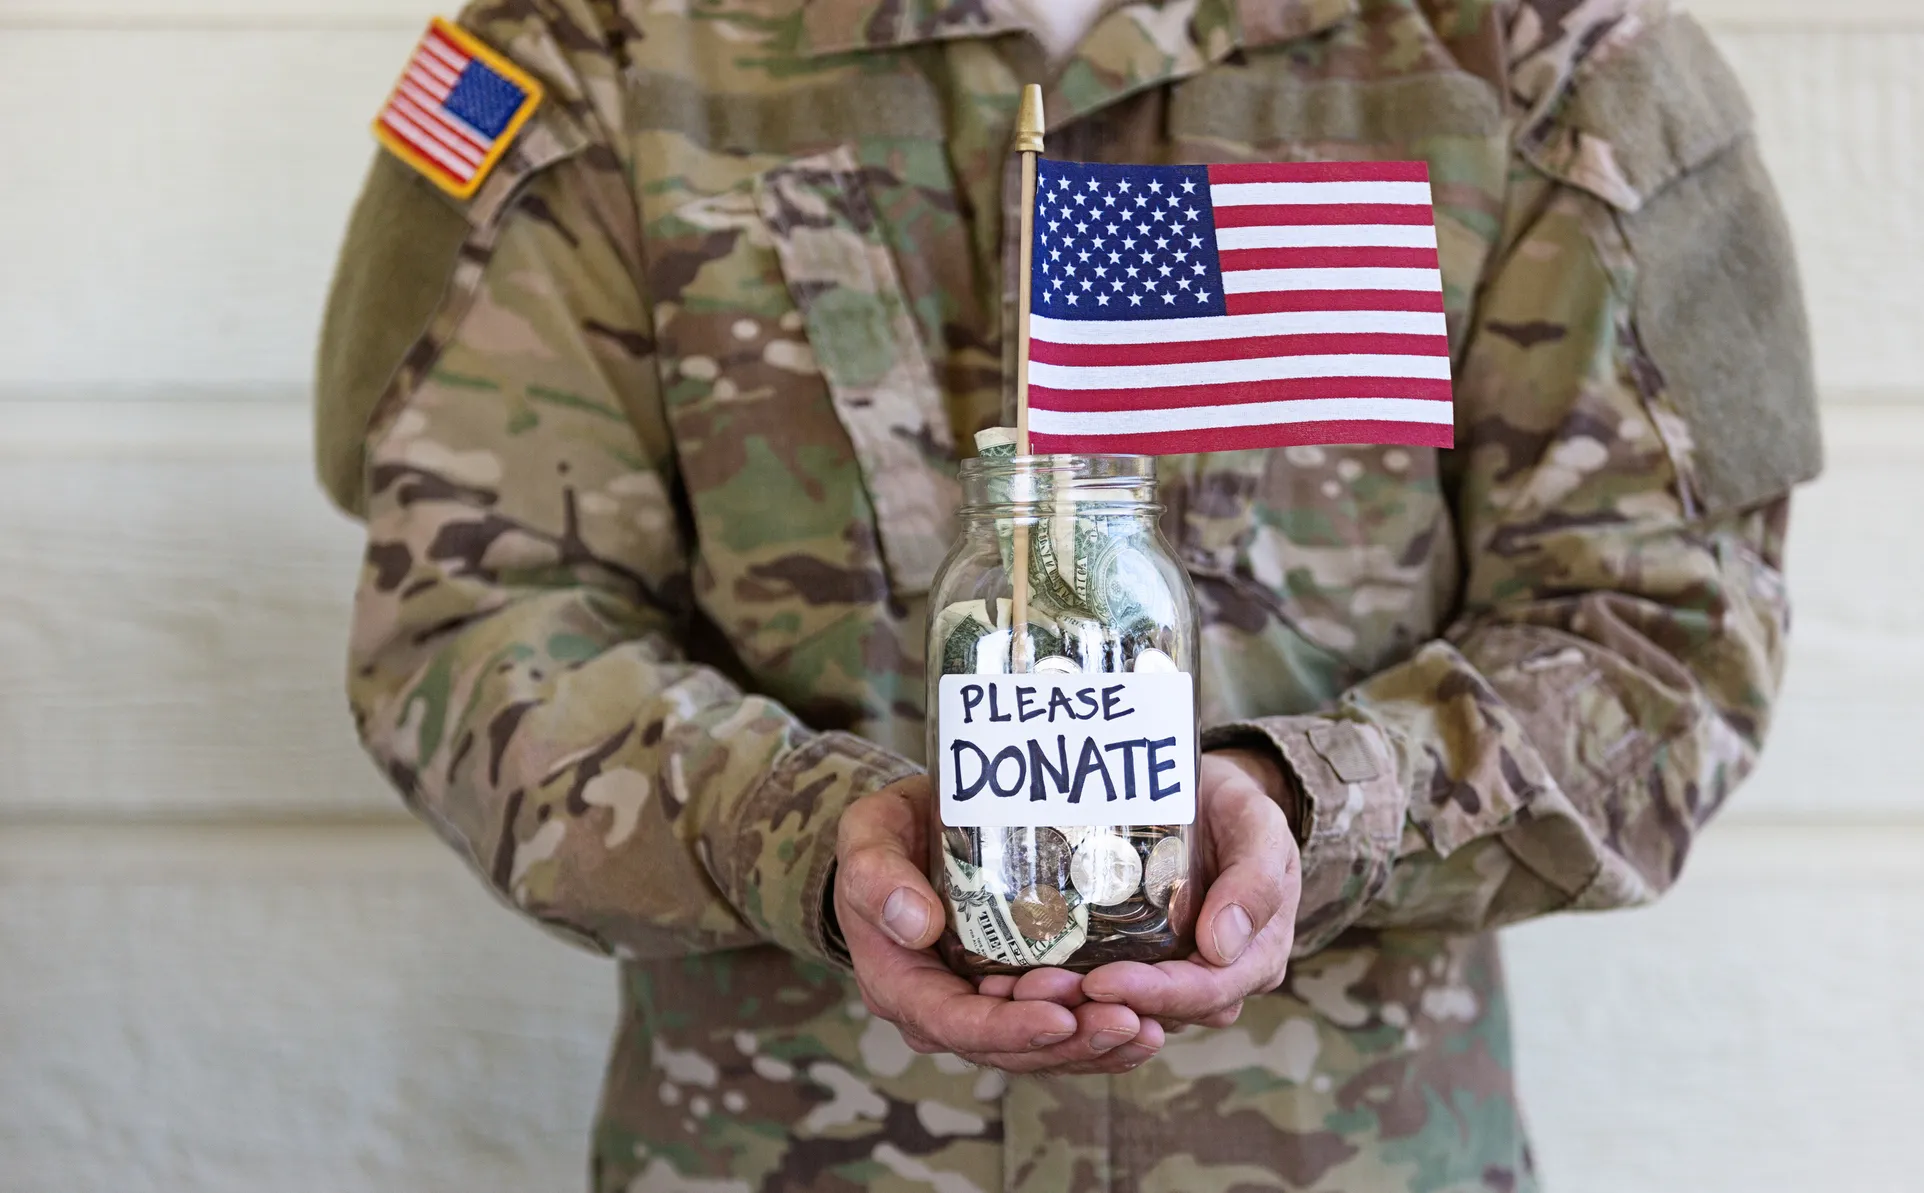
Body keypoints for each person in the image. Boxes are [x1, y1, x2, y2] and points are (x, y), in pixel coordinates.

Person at [314, 0, 1822, 1188]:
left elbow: (1662, 638)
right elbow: (473, 621)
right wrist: (802, 834)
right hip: (783, 1152)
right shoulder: (608, 42)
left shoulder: (1529, 48)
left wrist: (1316, 811)